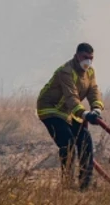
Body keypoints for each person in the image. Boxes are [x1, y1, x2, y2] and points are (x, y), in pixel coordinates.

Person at [36, 43, 104, 190]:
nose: (88, 61)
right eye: (85, 57)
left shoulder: (90, 72)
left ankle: (85, 185)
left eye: (91, 58)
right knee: (67, 143)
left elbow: (93, 90)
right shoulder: (66, 71)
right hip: (51, 109)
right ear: (77, 55)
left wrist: (97, 108)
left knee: (85, 140)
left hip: (68, 111)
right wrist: (85, 114)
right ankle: (67, 183)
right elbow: (71, 96)